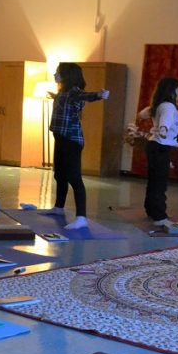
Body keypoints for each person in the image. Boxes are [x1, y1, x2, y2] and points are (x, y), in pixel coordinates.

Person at [49, 62, 109, 229]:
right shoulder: (64, 92)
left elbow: (84, 96)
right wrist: (55, 97)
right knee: (60, 175)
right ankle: (58, 207)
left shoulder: (73, 92)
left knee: (74, 178)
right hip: (61, 137)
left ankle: (81, 218)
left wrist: (99, 95)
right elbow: (69, 102)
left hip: (71, 141)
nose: (54, 74)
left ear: (66, 75)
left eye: (57, 72)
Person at [140, 76, 178, 227]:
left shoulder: (160, 104)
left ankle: (152, 210)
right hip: (160, 145)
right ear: (172, 91)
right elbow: (165, 121)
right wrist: (163, 129)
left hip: (156, 146)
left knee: (154, 180)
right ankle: (159, 216)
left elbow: (142, 114)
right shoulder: (168, 106)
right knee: (159, 183)